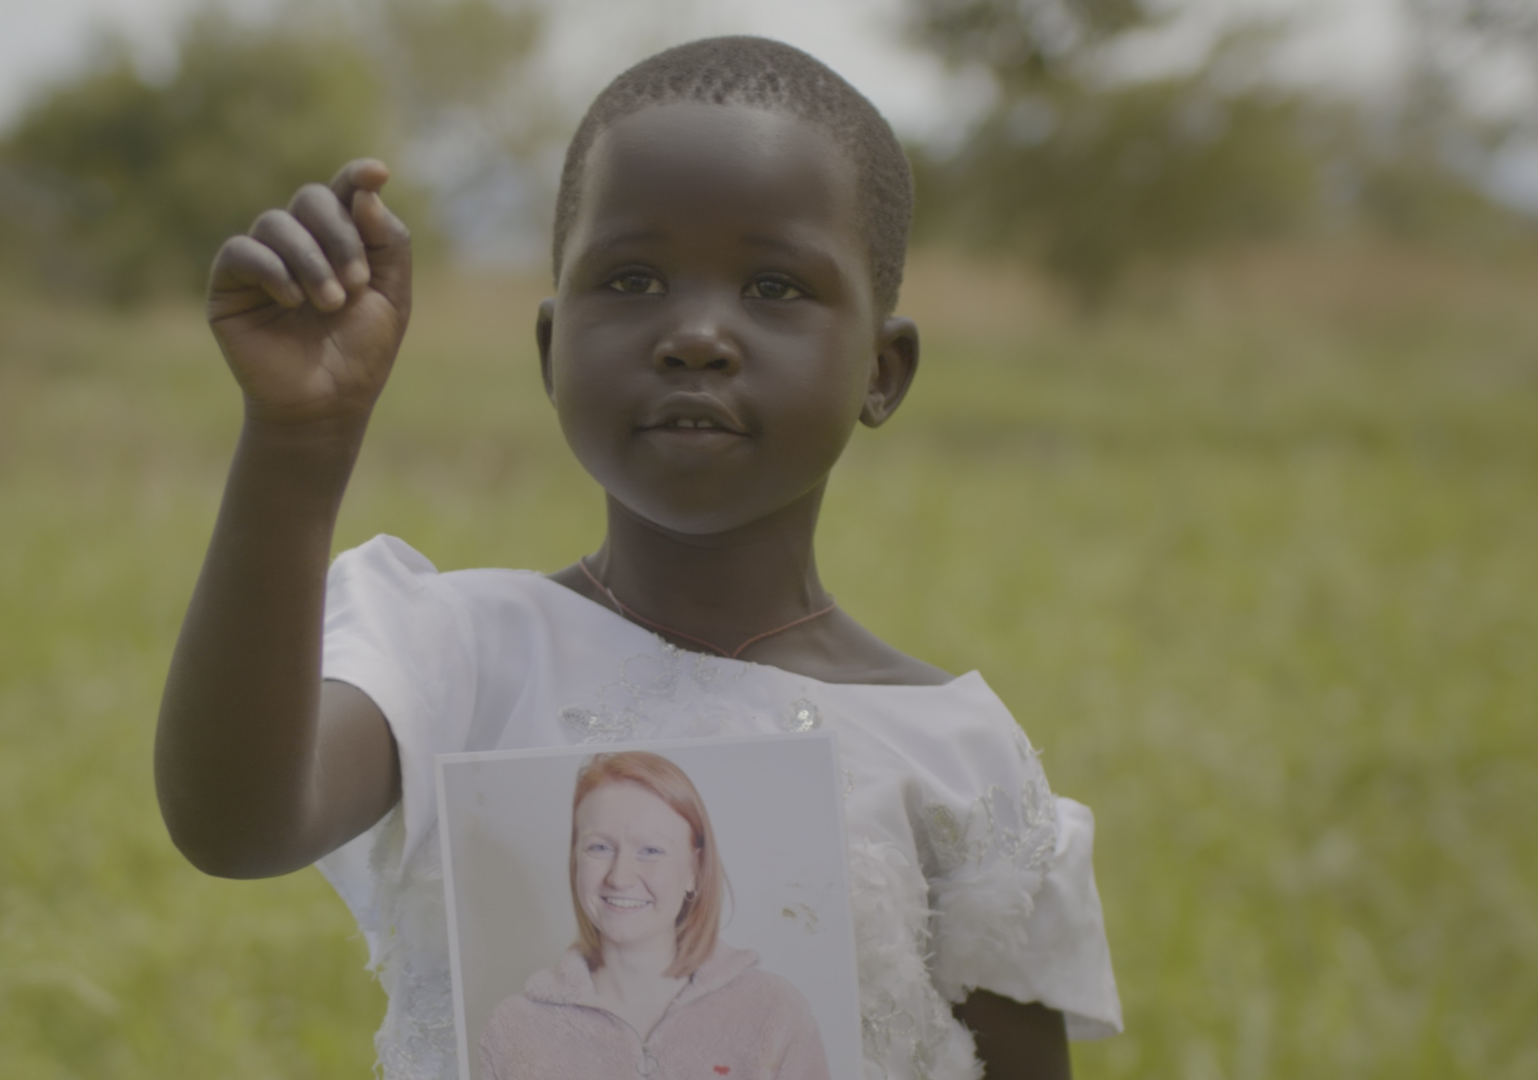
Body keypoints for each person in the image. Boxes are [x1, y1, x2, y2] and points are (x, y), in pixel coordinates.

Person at [154, 35, 1122, 1080]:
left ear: (882, 371)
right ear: (550, 349)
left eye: (775, 286)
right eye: (632, 278)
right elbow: (237, 826)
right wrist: (299, 441)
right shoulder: (461, 653)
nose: (697, 334)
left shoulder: (959, 758)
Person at [477, 751, 828, 1080]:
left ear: (695, 870)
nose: (620, 877)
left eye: (650, 850)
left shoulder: (774, 1013)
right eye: (600, 847)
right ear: (575, 860)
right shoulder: (513, 1030)